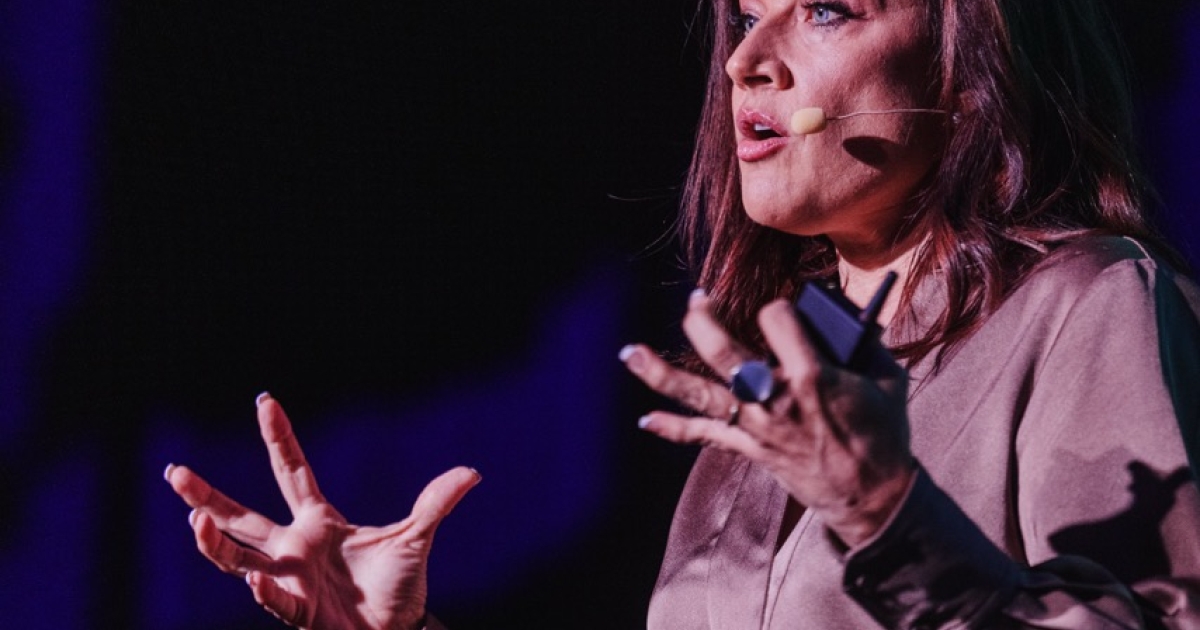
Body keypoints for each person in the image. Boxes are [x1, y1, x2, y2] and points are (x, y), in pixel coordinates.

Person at [165, 0, 1200, 628]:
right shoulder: (771, 400)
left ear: (970, 74)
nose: (748, 58)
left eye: (828, 8)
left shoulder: (1092, 302)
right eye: (747, 18)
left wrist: (888, 518)